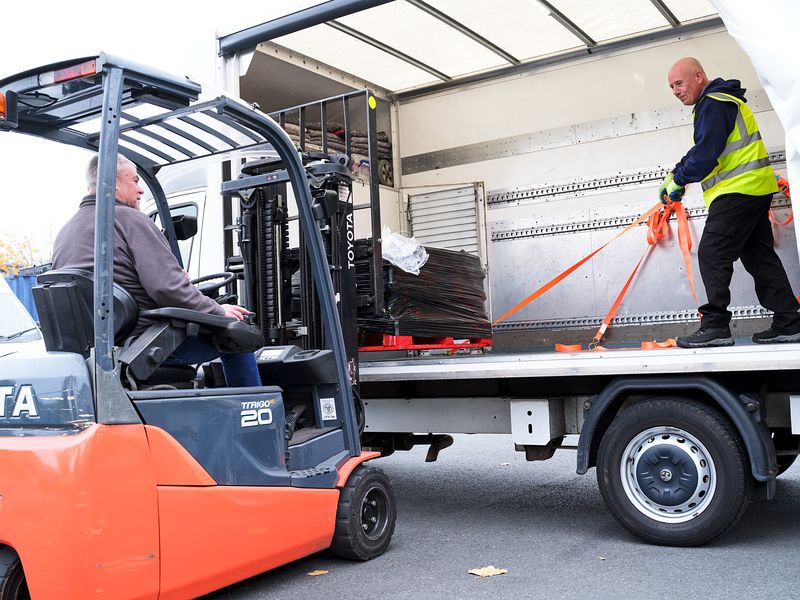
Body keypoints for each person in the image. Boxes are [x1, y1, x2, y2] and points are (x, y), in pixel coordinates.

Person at [52, 154, 261, 386]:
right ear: (112, 182)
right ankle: (258, 418)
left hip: (101, 347)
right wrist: (218, 311)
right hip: (145, 342)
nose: (141, 190)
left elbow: (117, 280)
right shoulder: (131, 219)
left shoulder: (66, 230)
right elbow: (167, 288)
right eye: (134, 181)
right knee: (240, 337)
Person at [661, 57, 800, 348]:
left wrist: (680, 180)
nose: (675, 90)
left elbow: (707, 153)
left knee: (712, 252)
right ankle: (790, 322)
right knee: (759, 258)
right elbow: (704, 148)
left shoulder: (714, 103)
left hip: (739, 191)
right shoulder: (719, 102)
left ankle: (716, 327)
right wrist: (677, 173)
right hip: (753, 190)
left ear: (699, 77)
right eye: (671, 86)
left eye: (679, 83)